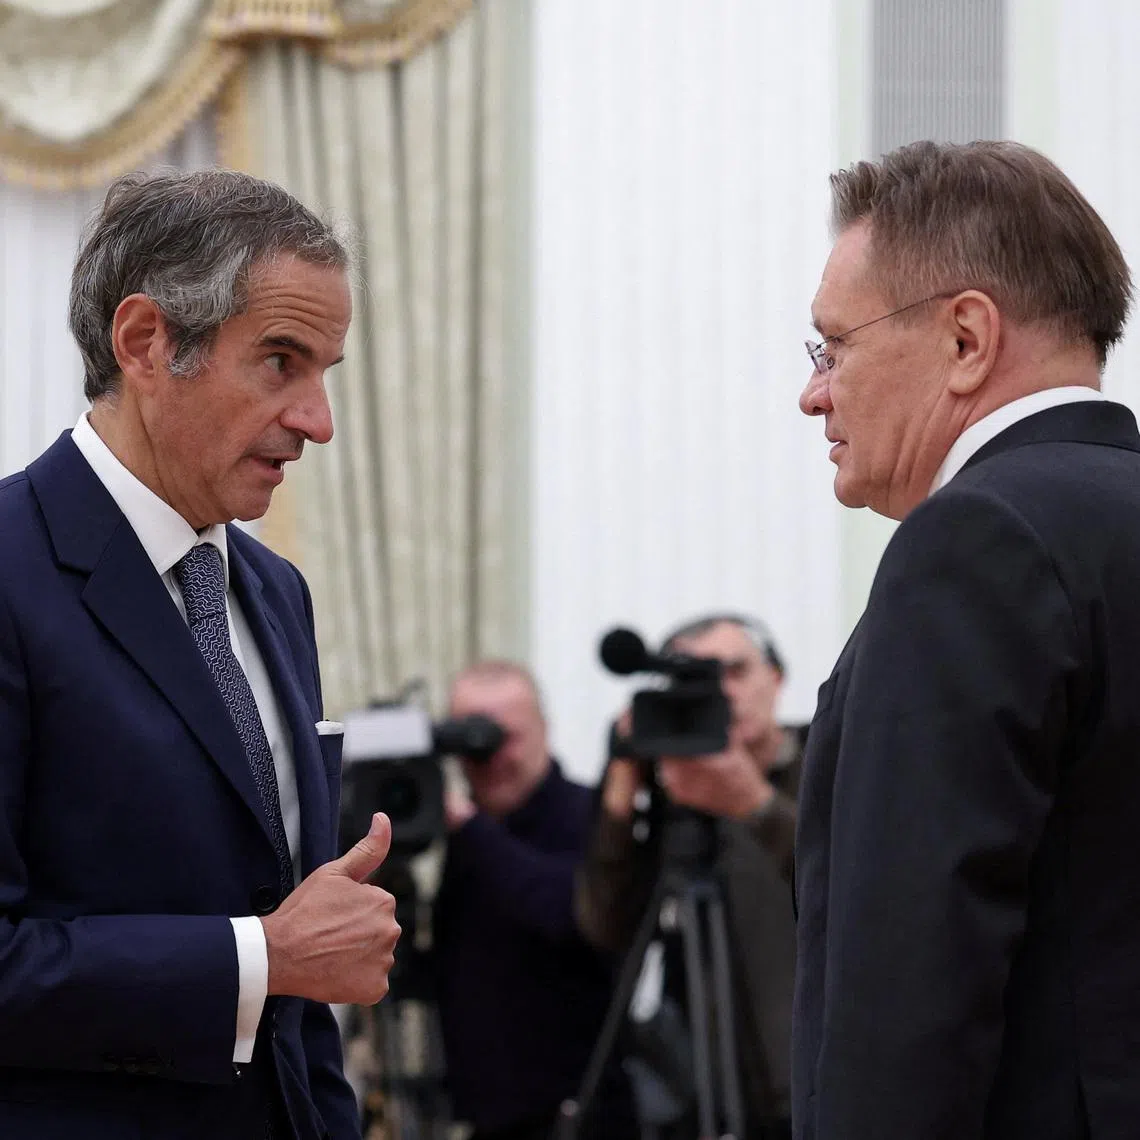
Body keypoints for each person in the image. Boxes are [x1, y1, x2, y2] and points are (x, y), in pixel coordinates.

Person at [0, 170, 401, 1139]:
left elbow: (301, 1012)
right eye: (279, 360)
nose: (319, 420)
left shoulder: (276, 591)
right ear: (146, 342)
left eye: (324, 373)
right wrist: (257, 959)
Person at [793, 139, 1140, 1140]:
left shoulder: (977, 542)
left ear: (965, 341)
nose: (815, 393)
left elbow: (911, 982)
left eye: (833, 347)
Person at [576, 614, 806, 1140]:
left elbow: (852, 888)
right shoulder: (670, 801)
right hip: (701, 1091)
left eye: (736, 671)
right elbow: (606, 927)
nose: (723, 693)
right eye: (699, 680)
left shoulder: (829, 759)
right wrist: (620, 792)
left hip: (807, 1088)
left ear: (776, 678)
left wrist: (753, 804)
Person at [432, 661, 634, 1140]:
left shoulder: (587, 814)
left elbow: (566, 915)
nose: (492, 756)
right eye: (474, 741)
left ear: (545, 728)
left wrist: (468, 825)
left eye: (508, 736)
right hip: (489, 1118)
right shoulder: (466, 836)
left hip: (580, 1117)